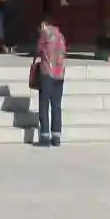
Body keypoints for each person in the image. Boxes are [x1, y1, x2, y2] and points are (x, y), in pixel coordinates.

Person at [32, 16, 68, 147]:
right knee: (56, 106)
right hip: (60, 73)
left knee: (44, 104)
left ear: (43, 25)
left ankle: (45, 136)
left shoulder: (44, 34)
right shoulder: (61, 36)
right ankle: (56, 136)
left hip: (47, 72)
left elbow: (38, 50)